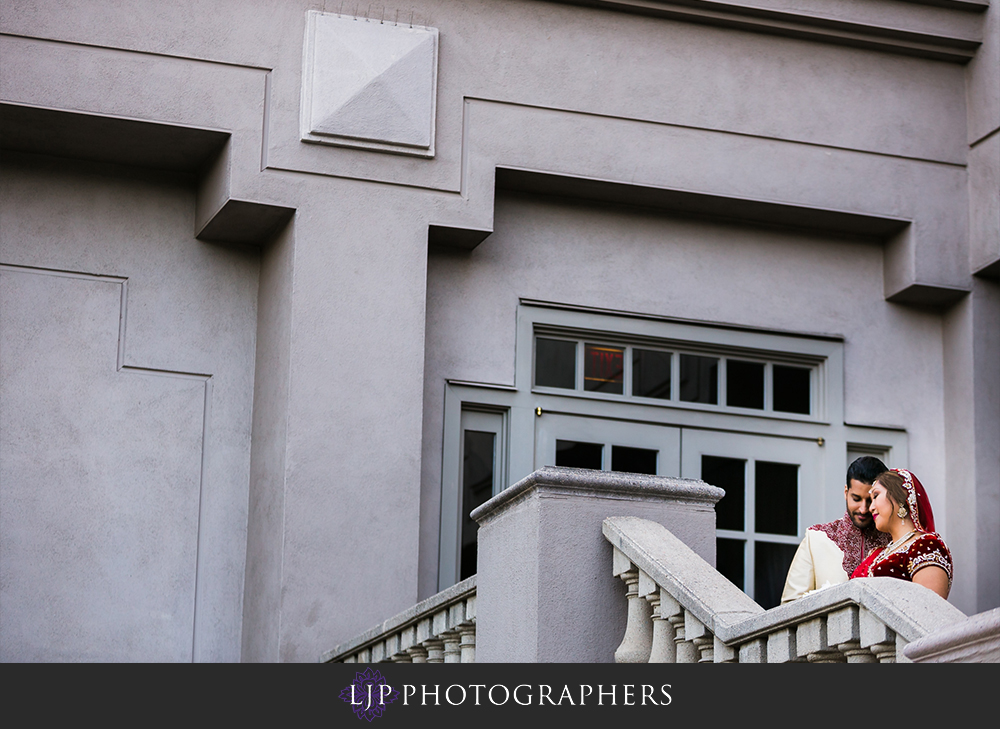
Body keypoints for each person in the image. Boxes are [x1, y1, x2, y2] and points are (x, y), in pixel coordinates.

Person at [780, 456, 891, 604]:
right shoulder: (816, 539)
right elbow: (789, 606)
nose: (863, 509)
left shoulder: (895, 542)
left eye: (870, 500)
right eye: (856, 499)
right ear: (846, 492)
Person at [850, 468, 952, 599]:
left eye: (875, 496)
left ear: (900, 497)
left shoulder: (925, 546)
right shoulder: (876, 554)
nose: (871, 508)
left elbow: (929, 611)